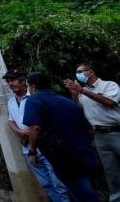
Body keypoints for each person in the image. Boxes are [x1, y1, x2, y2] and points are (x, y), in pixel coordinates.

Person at [23, 72, 101, 202]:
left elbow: (34, 128)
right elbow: (90, 131)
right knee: (85, 190)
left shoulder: (34, 100)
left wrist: (32, 152)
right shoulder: (66, 101)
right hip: (86, 153)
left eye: (28, 86)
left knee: (83, 194)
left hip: (64, 157)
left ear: (33, 86)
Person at [3, 69, 70, 202]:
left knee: (59, 183)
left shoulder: (35, 97)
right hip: (28, 148)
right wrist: (18, 131)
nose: (10, 84)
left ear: (23, 81)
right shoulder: (11, 102)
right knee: (46, 184)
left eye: (13, 80)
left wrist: (33, 132)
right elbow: (11, 121)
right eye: (8, 81)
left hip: (45, 145)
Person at [64, 62, 120, 202]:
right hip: (99, 136)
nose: (78, 75)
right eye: (77, 72)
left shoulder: (109, 85)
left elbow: (109, 102)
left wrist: (82, 91)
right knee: (110, 171)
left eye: (80, 71)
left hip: (116, 132)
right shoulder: (83, 92)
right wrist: (75, 95)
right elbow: (78, 110)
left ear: (91, 72)